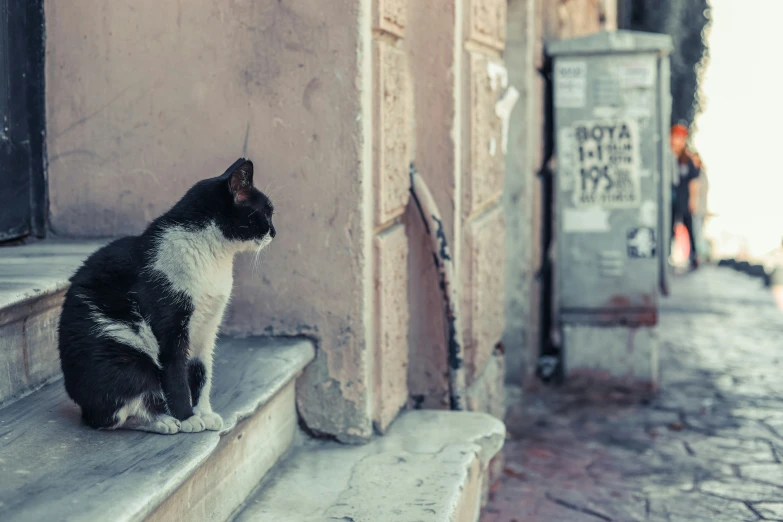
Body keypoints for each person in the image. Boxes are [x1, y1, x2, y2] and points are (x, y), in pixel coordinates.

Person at [670, 123, 701, 270]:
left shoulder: (687, 160)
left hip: (684, 199)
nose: (678, 141)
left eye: (681, 138)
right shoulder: (667, 157)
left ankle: (693, 257)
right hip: (669, 202)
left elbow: (693, 183)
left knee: (689, 229)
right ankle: (667, 257)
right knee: (669, 229)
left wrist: (693, 201)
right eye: (676, 137)